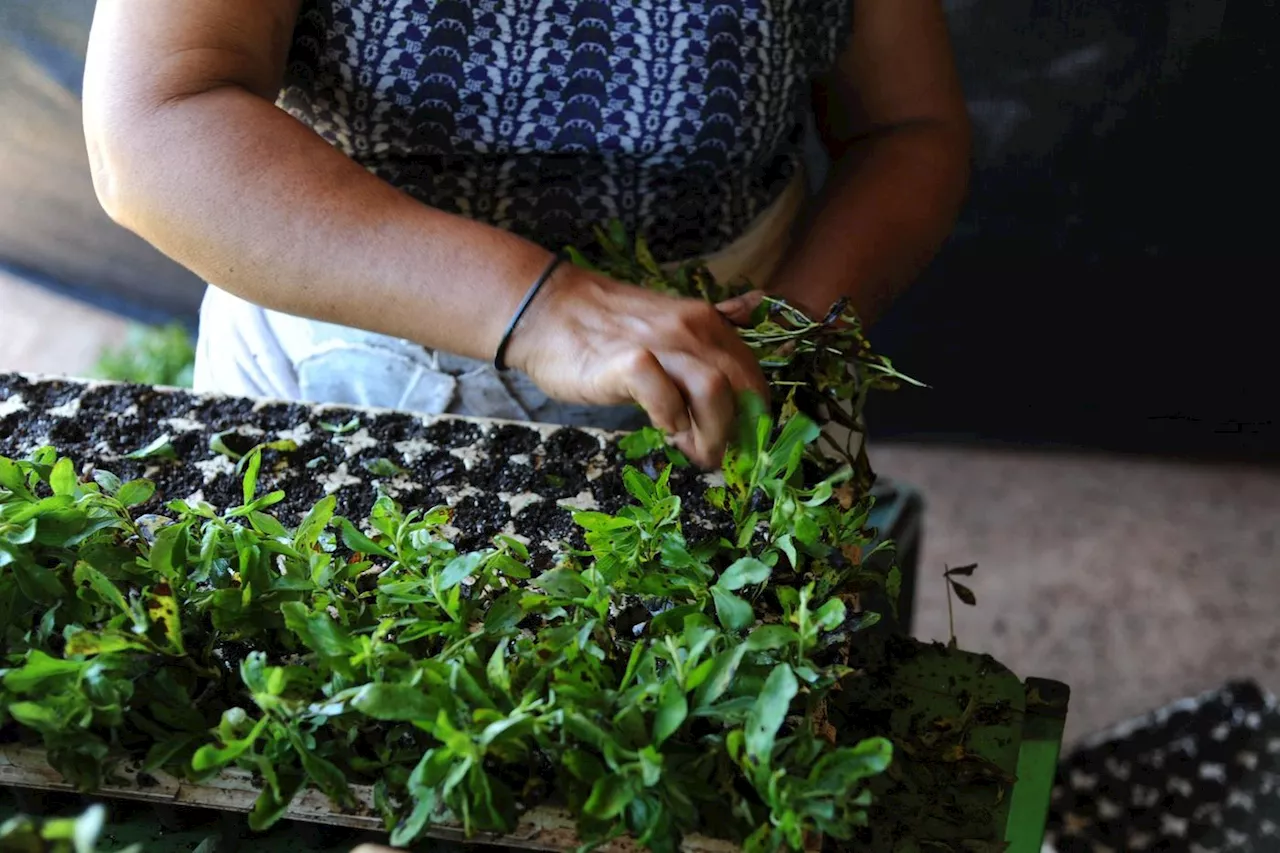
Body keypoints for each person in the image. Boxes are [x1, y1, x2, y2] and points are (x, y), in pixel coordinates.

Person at [82, 0, 970, 470]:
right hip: (356, 357)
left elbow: (905, 130)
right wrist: (549, 309)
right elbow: (153, 122)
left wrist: (788, 340)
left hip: (739, 352)